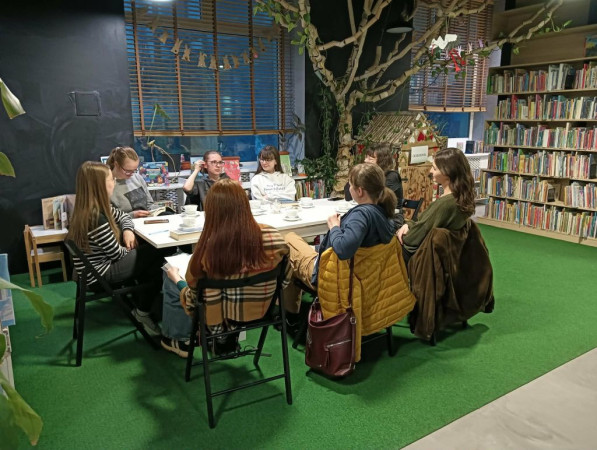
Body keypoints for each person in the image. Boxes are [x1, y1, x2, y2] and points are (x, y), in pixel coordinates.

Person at [161, 179, 292, 358]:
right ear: (245, 204)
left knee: (170, 275)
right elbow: (284, 280)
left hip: (218, 319)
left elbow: (193, 301)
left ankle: (179, 340)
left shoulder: (207, 251)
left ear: (211, 211)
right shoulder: (273, 237)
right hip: (263, 312)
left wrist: (177, 280)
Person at [284, 163, 397, 313]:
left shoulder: (361, 215)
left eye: (350, 184)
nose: (348, 188)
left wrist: (334, 227)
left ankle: (289, 314)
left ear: (359, 191)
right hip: (365, 280)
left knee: (288, 240)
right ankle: (291, 312)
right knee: (298, 248)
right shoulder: (383, 214)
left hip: (335, 279)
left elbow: (343, 250)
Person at [67, 161, 163, 335]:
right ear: (100, 185)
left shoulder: (91, 208)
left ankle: (144, 306)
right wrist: (133, 248)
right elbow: (117, 254)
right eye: (111, 179)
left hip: (92, 272)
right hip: (99, 276)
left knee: (152, 261)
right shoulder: (96, 217)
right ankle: (143, 311)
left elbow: (124, 216)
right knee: (158, 250)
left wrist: (127, 231)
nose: (114, 182)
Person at [397, 147, 476, 264]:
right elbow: (426, 223)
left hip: (419, 258)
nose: (430, 171)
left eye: (434, 168)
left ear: (447, 172)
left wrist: (402, 233)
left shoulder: (445, 204)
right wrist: (409, 225)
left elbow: (414, 238)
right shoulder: (460, 198)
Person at [345, 143, 404, 209]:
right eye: (366, 157)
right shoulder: (370, 175)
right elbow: (349, 197)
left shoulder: (392, 176)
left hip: (389, 213)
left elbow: (378, 200)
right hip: (370, 210)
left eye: (370, 159)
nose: (365, 160)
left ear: (382, 161)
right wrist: (354, 178)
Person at [107, 146, 155, 218]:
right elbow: (107, 216)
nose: (132, 174)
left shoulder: (137, 178)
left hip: (145, 221)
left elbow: (149, 204)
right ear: (116, 164)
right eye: (128, 171)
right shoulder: (107, 184)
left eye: (135, 170)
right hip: (124, 223)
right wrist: (132, 215)